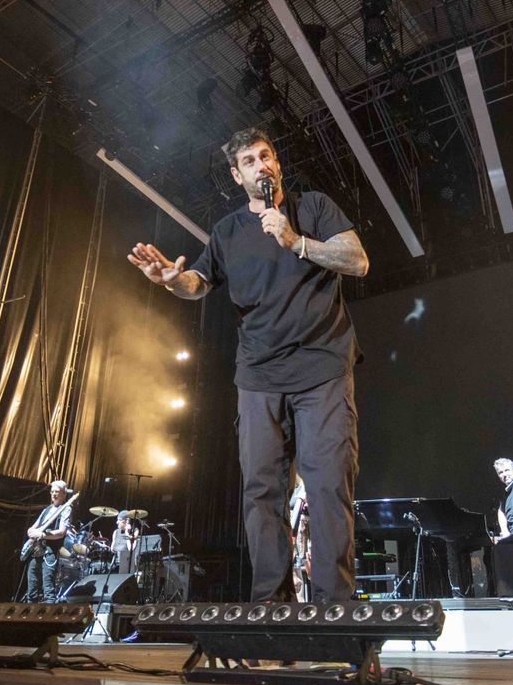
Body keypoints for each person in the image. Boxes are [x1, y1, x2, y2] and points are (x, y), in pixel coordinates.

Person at [129, 127, 368, 602]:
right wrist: (170, 281)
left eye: (267, 156)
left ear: (277, 164)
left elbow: (357, 260)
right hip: (259, 377)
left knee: (326, 486)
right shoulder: (227, 232)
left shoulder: (313, 208)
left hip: (321, 367)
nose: (263, 166)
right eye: (251, 162)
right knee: (261, 493)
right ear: (238, 176)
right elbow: (197, 283)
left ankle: (333, 608)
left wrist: (297, 241)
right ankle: (270, 606)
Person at [21, 480, 73, 603]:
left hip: (50, 551)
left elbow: (61, 532)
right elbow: (33, 528)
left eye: (57, 492)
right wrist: (31, 531)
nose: (54, 494)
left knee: (48, 587)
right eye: (52, 491)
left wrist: (42, 535)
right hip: (36, 550)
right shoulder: (46, 510)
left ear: (64, 494)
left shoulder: (66, 509)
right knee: (31, 585)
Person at [288, 475, 312, 601]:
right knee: (296, 569)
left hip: (299, 530)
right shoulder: (300, 487)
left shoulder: (302, 487)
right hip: (297, 530)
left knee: (298, 568)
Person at [110, 510, 142, 575]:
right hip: (115, 564)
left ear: (126, 521)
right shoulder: (116, 532)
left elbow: (131, 549)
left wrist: (127, 534)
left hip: (126, 564)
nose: (117, 522)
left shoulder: (135, 531)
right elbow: (112, 549)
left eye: (119, 520)